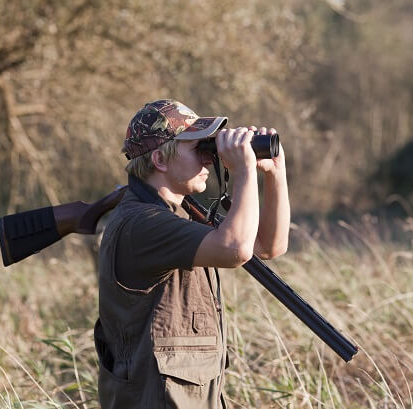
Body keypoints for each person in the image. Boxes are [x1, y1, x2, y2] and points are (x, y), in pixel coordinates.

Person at [95, 99, 290, 408]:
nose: (209, 159)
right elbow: (236, 249)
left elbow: (268, 246)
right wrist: (243, 171)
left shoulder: (179, 214)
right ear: (160, 159)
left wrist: (273, 174)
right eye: (199, 148)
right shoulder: (143, 225)